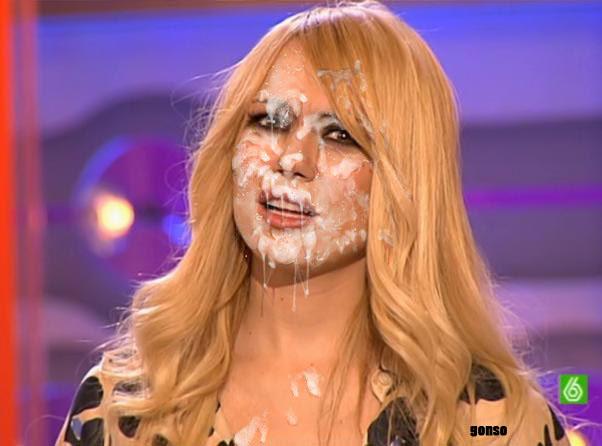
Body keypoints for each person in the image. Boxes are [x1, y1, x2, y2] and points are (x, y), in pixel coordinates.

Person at [55, 1, 571, 445]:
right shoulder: (129, 410)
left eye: (341, 135)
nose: (292, 159)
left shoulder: (486, 423)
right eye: (269, 121)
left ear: (404, 181)